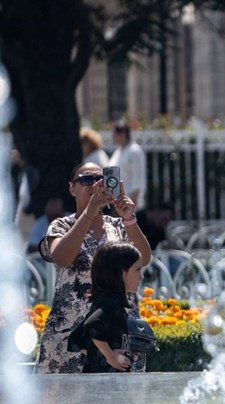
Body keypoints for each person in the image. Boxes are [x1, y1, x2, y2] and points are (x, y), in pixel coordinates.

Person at [35, 162, 152, 374]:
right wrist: (89, 213)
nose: (95, 184)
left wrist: (129, 219)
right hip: (70, 338)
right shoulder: (61, 225)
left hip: (118, 337)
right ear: (72, 188)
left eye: (101, 178)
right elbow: (61, 257)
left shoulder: (118, 226)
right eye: (87, 179)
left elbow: (143, 258)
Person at [67, 241, 154, 373]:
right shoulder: (111, 302)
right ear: (120, 273)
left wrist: (97, 355)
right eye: (137, 269)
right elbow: (92, 324)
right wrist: (110, 356)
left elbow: (76, 339)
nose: (141, 276)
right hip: (104, 386)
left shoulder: (106, 300)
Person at [110, 120, 147, 205]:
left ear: (123, 134)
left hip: (129, 204)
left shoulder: (134, 151)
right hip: (117, 204)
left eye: (115, 133)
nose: (112, 136)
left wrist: (132, 209)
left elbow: (138, 182)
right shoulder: (118, 152)